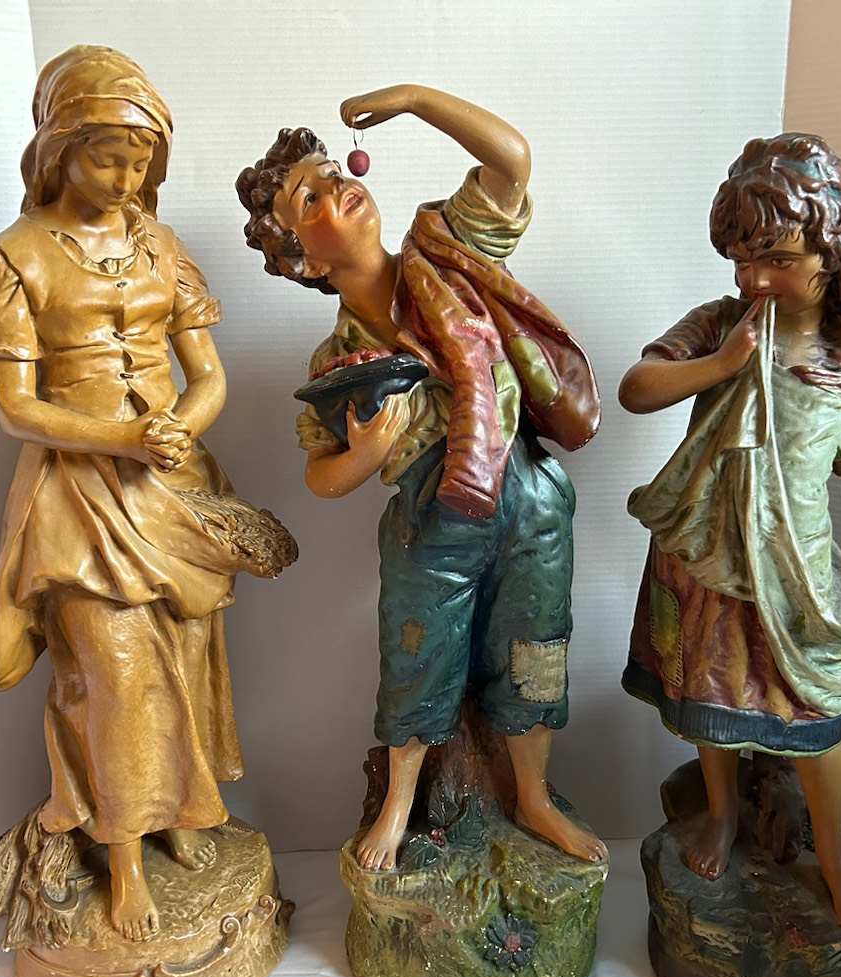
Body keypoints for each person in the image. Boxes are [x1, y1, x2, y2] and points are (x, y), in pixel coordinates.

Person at [0, 45, 285, 943]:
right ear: (59, 149)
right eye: (107, 160)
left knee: (184, 660)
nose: (126, 180)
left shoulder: (160, 246)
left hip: (172, 488)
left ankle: (179, 813)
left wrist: (180, 425)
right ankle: (123, 857)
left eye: (140, 163)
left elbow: (206, 375)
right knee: (113, 678)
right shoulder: (12, 258)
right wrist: (121, 438)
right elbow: (17, 408)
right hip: (76, 495)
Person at [237, 84, 607, 871]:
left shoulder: (446, 250)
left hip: (524, 492)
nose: (336, 187)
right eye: (310, 198)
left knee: (534, 646)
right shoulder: (336, 362)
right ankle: (400, 800)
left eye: (333, 173)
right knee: (415, 653)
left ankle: (533, 796)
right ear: (302, 257)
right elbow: (319, 475)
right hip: (430, 520)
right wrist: (366, 453)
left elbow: (511, 162)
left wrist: (411, 99)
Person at [618, 133, 841, 932]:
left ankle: (831, 854)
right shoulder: (721, 325)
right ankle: (721, 812)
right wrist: (719, 366)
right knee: (710, 697)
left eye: (776, 259)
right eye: (741, 262)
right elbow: (637, 387)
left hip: (798, 573)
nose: (754, 280)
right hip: (706, 559)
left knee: (816, 718)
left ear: (830, 251)